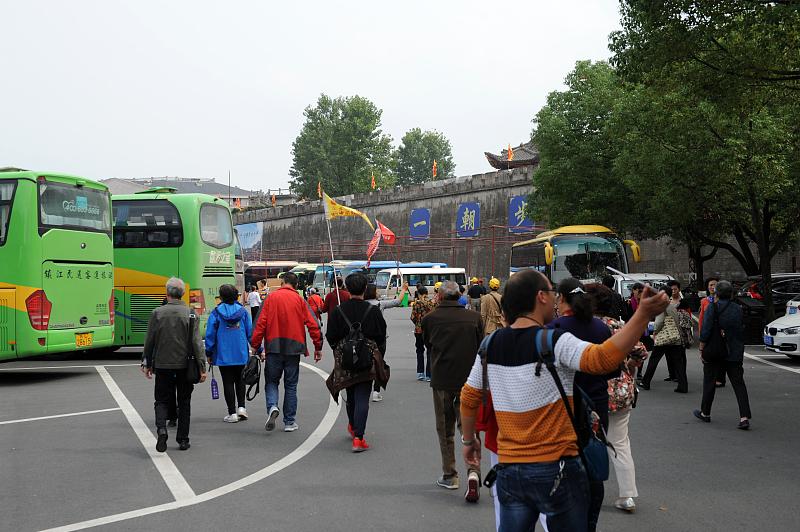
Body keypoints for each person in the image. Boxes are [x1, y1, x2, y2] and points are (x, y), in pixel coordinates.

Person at [459, 269, 668, 531]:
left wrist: (469, 441)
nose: (555, 299)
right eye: (551, 292)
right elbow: (603, 359)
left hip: (511, 470)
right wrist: (642, 316)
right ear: (540, 297)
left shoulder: (490, 346)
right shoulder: (554, 341)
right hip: (557, 469)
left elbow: (469, 396)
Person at [550, 280, 614, 531]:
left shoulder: (555, 328)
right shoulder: (600, 327)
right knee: (592, 467)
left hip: (565, 406)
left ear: (561, 298)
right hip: (597, 404)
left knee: (564, 468)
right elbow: (611, 369)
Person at [422, 281, 483, 502]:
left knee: (445, 428)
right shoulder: (474, 318)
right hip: (469, 381)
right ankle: (473, 471)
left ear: (439, 297)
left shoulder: (430, 319)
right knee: (469, 428)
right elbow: (480, 347)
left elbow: (427, 344)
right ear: (460, 296)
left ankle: (450, 474)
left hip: (442, 379)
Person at [250, 272, 323, 433]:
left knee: (271, 381)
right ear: (296, 285)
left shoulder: (270, 299)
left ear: (282, 282)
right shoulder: (300, 300)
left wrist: (255, 345)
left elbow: (260, 323)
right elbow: (314, 324)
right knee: (290, 385)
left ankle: (272, 406)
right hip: (294, 347)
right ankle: (289, 421)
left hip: (273, 346)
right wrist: (318, 347)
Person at [142, 277, 207, 452]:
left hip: (162, 364)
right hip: (185, 365)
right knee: (184, 401)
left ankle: (162, 429)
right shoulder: (192, 314)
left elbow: (150, 340)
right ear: (183, 294)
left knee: (161, 400)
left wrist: (146, 362)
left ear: (167, 293)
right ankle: (183, 439)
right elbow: (196, 343)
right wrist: (202, 366)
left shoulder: (157, 313)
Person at [325, 273, 388, 452]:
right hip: (366, 359)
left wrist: (340, 350)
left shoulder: (339, 310)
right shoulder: (373, 311)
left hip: (345, 360)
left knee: (350, 394)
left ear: (348, 288)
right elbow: (381, 335)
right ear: (364, 288)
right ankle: (359, 438)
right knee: (362, 396)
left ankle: (353, 426)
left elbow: (331, 336)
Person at [694, 280, 752, 429]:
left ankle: (705, 412)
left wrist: (701, 347)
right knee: (739, 384)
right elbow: (741, 329)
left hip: (715, 350)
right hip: (734, 350)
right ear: (731, 293)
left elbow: (706, 330)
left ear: (717, 293)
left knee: (709, 381)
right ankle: (744, 417)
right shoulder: (738, 309)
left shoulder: (712, 307)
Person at [205, 284, 252, 423]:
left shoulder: (216, 313)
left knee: (227, 382)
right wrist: (259, 349)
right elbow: (250, 332)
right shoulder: (243, 312)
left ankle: (232, 413)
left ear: (221, 297)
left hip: (223, 354)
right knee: (240, 380)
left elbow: (210, 335)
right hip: (241, 352)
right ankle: (242, 408)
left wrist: (209, 352)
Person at [365, 282, 408, 401]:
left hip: (365, 339)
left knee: (366, 364)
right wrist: (403, 289)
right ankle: (376, 391)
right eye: (377, 290)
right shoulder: (380, 304)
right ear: (373, 292)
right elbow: (397, 302)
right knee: (379, 363)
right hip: (380, 339)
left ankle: (364, 389)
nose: (378, 292)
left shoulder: (360, 305)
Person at [639, 287, 688, 393]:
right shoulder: (672, 306)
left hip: (664, 338)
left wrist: (655, 332)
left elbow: (659, 322)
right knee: (678, 363)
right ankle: (683, 385)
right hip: (675, 338)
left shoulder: (662, 306)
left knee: (654, 360)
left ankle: (646, 382)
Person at [698, 277, 726, 388]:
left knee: (720, 356)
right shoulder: (704, 301)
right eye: (710, 285)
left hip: (720, 332)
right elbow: (701, 319)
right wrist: (701, 333)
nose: (712, 287)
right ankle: (710, 378)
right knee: (708, 356)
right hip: (708, 332)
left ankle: (720, 378)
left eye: (715, 285)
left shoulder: (722, 301)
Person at [411, 286, 435, 381]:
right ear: (427, 293)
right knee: (429, 351)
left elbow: (413, 317)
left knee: (419, 350)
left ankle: (420, 372)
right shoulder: (432, 303)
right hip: (430, 330)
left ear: (419, 293)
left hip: (419, 330)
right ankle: (429, 374)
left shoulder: (417, 303)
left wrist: (418, 323)